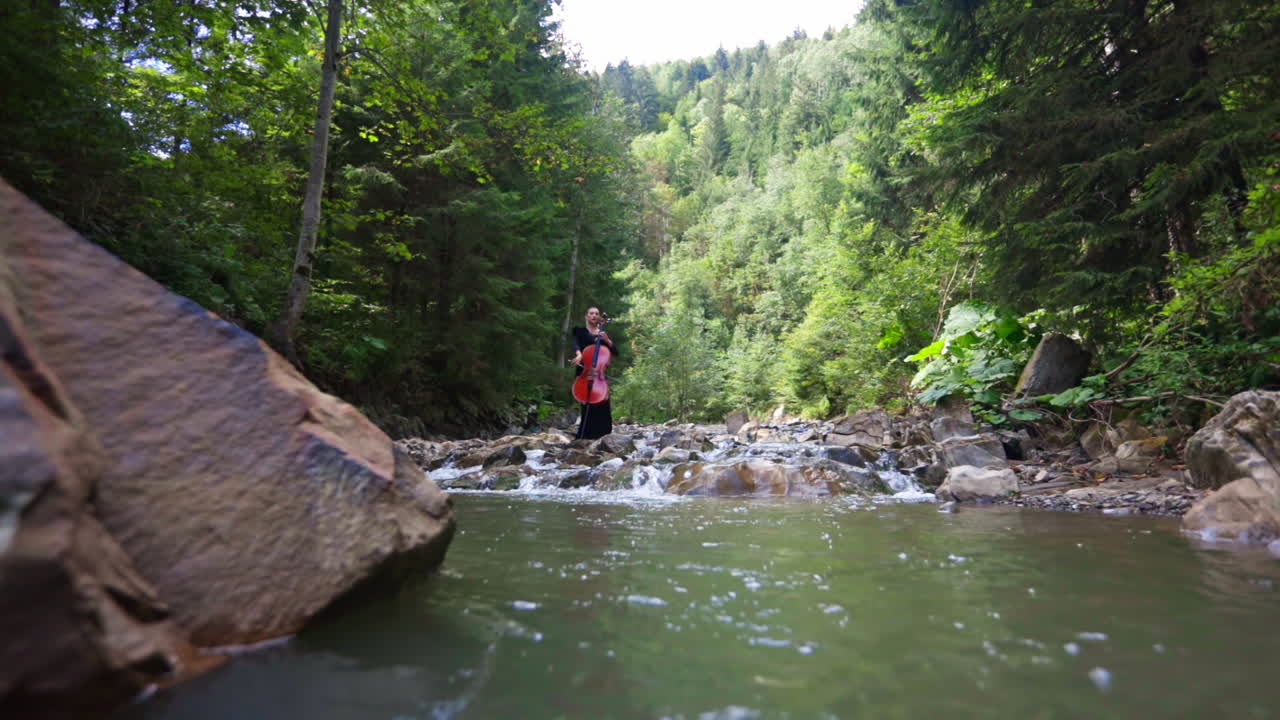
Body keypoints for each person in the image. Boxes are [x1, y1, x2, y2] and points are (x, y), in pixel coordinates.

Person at [570, 306, 617, 440]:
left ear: (599, 318)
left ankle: (603, 436)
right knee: (586, 402)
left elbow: (615, 352)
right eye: (591, 313)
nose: (594, 315)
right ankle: (585, 435)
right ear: (586, 316)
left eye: (596, 314)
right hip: (584, 371)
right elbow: (576, 344)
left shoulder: (602, 335)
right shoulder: (579, 331)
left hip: (599, 375)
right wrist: (579, 354)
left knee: (602, 404)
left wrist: (607, 340)